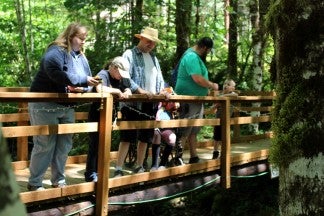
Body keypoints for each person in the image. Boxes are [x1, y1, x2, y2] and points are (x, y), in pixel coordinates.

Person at [27, 23, 99, 191]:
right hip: (45, 104)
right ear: (70, 36)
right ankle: (35, 183)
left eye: (84, 39)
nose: (83, 42)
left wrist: (84, 87)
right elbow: (52, 70)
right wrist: (80, 81)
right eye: (80, 38)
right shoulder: (56, 51)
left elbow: (88, 80)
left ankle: (58, 180)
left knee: (64, 145)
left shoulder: (81, 57)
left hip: (67, 106)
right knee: (45, 144)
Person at [114, 27, 167, 177]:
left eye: (154, 43)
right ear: (141, 39)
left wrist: (163, 91)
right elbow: (124, 77)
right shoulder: (129, 54)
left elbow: (160, 80)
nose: (151, 44)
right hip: (132, 104)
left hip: (150, 104)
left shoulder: (154, 58)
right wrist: (140, 91)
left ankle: (139, 165)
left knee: (146, 137)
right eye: (149, 41)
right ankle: (118, 168)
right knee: (127, 137)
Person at [84, 56, 132, 182]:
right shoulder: (103, 74)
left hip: (109, 116)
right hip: (97, 114)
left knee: (104, 145)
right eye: (120, 73)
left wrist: (127, 92)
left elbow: (128, 88)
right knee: (95, 144)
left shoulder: (121, 78)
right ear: (113, 67)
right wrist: (116, 90)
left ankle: (100, 172)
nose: (121, 76)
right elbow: (99, 88)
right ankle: (91, 173)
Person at [175, 37, 219, 164]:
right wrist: (212, 85)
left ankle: (194, 156)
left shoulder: (195, 57)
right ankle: (178, 157)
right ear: (205, 48)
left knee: (194, 130)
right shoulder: (191, 57)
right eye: (209, 51)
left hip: (197, 100)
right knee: (185, 129)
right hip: (188, 99)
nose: (208, 53)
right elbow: (197, 78)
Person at [151, 87, 180, 170]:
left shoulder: (171, 99)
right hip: (156, 124)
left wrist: (173, 98)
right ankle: (154, 165)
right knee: (156, 135)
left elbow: (177, 106)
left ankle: (162, 164)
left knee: (172, 137)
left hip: (167, 126)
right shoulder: (158, 100)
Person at [212, 79, 238, 159]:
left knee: (224, 137)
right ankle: (215, 152)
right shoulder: (220, 95)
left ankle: (224, 153)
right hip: (218, 118)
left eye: (228, 84)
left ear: (233, 88)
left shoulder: (232, 94)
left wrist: (223, 96)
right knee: (216, 137)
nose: (225, 85)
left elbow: (236, 95)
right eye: (225, 83)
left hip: (226, 120)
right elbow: (215, 105)